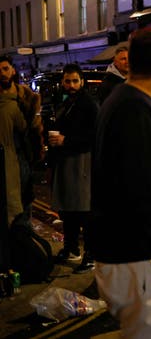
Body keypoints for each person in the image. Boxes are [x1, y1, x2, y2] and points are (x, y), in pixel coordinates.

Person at [89, 27, 151, 338]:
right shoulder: (135, 109)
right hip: (138, 257)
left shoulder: (128, 100)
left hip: (130, 253)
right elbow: (141, 191)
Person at [49, 64, 99, 274]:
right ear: (62, 82)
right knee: (68, 208)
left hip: (82, 161)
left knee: (84, 210)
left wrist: (65, 140)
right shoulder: (66, 101)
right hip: (67, 159)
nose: (71, 85)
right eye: (67, 81)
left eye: (75, 81)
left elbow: (93, 135)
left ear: (82, 82)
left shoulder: (88, 103)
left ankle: (90, 255)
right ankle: (71, 248)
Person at [0, 55, 43, 225]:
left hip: (22, 157)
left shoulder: (26, 97)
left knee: (24, 202)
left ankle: (23, 239)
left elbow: (34, 129)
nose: (2, 73)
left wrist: (36, 156)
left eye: (5, 69)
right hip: (5, 156)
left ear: (13, 70)